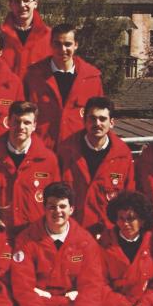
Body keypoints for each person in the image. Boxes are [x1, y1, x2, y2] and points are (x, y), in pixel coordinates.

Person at [0, 101, 61, 232]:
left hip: (34, 234)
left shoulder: (48, 160)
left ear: (34, 126)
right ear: (8, 122)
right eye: (17, 121)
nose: (21, 127)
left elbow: (56, 202)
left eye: (27, 123)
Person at [58, 96, 135, 234]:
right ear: (84, 121)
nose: (97, 123)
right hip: (72, 232)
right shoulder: (66, 151)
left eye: (102, 119)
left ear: (112, 122)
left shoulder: (123, 156)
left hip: (107, 234)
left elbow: (129, 200)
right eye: (92, 118)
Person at [23, 23, 104, 150]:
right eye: (57, 44)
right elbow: (22, 115)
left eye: (67, 44)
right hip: (42, 150)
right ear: (51, 45)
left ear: (76, 45)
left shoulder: (91, 78)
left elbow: (101, 118)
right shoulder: (34, 76)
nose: (62, 49)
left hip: (78, 151)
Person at [0, 0, 52, 78]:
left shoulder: (50, 37)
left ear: (35, 4)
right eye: (17, 1)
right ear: (10, 4)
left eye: (26, 0)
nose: (22, 5)